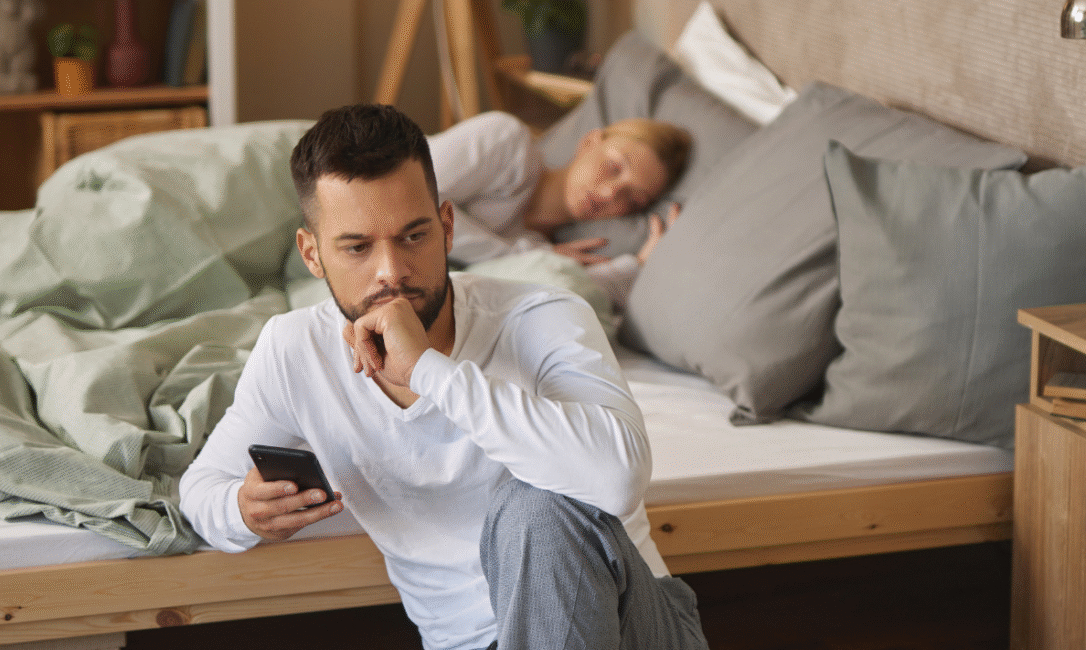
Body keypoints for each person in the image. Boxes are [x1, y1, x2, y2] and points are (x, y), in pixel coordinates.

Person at [178, 104, 708, 650]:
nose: (391, 272)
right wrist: (243, 513)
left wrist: (431, 372)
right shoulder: (294, 352)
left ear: (447, 226)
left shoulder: (545, 317)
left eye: (413, 236)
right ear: (312, 255)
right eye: (357, 247)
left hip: (631, 631)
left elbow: (617, 479)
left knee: (537, 507)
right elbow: (200, 489)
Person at [431, 110, 689, 308]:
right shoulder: (508, 143)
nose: (610, 193)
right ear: (589, 142)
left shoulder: (539, 248)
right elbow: (417, 202)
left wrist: (640, 263)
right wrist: (521, 255)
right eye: (614, 167)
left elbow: (569, 292)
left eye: (633, 200)